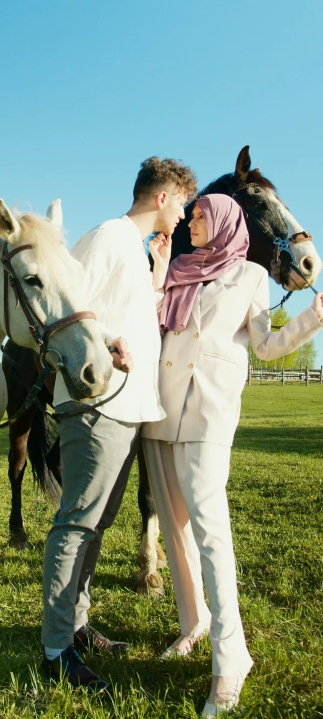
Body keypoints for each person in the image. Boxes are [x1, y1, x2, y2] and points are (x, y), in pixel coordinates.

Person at [143, 193, 323, 717]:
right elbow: (154, 321)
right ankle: (193, 624)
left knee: (210, 531)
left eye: (200, 216)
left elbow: (265, 345)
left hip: (208, 411)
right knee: (174, 533)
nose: (192, 223)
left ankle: (232, 657)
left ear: (223, 220)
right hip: (162, 411)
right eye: (191, 215)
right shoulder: (177, 266)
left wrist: (312, 319)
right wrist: (158, 271)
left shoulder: (249, 275)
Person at [40, 157, 198, 692]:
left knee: (98, 523)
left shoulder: (135, 249)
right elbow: (64, 303)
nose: (185, 212)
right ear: (163, 197)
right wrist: (106, 341)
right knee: (78, 522)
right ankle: (56, 648)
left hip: (127, 408)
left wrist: (157, 275)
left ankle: (78, 625)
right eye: (183, 202)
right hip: (96, 403)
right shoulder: (109, 234)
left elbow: (129, 312)